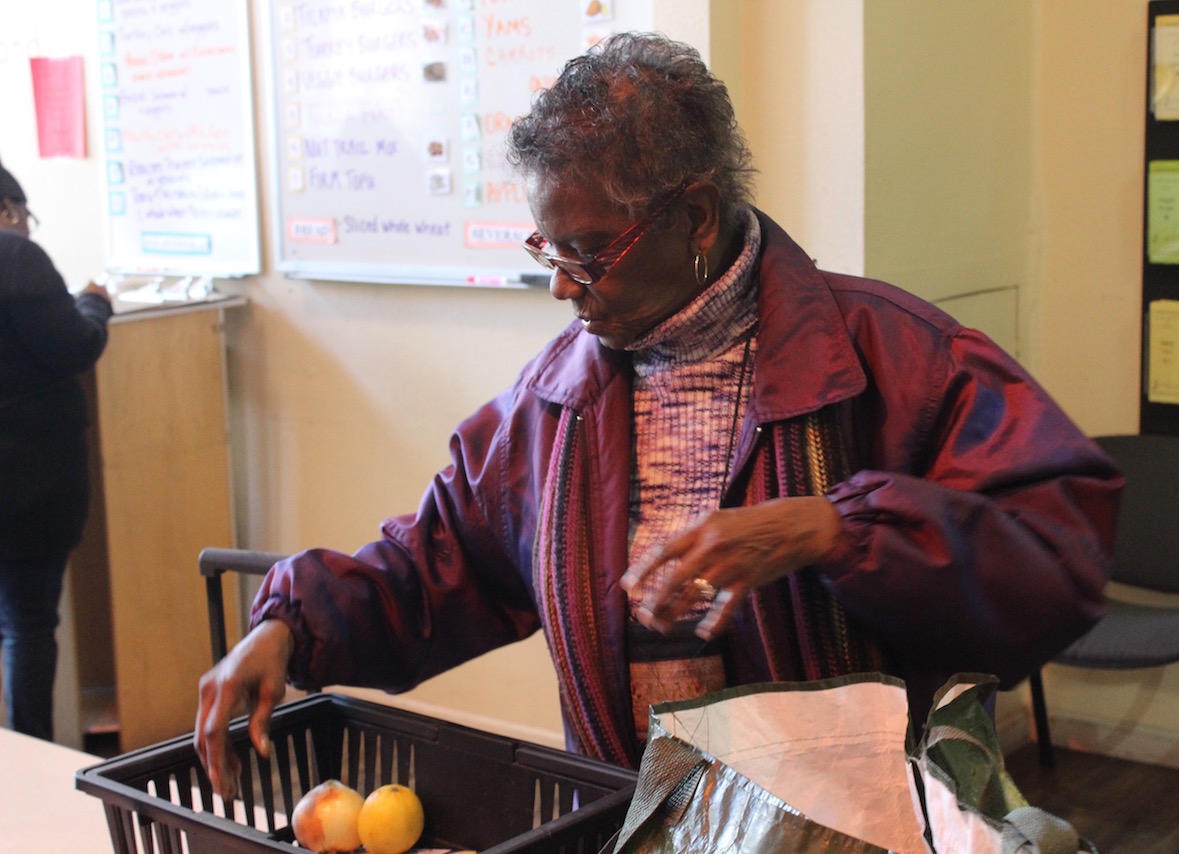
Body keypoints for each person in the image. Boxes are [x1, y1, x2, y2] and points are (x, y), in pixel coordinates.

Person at [195, 33, 1121, 797]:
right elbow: (442, 560)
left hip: (855, 824)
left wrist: (834, 528)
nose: (561, 284)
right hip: (635, 812)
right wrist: (291, 624)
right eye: (547, 250)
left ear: (699, 217)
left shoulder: (899, 353)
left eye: (588, 252)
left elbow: (1057, 558)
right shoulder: (555, 401)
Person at [0, 162, 113, 740]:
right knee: (27, 625)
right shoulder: (16, 258)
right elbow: (76, 345)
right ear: (5, 208)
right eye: (20, 215)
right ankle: (32, 754)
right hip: (29, 485)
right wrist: (94, 302)